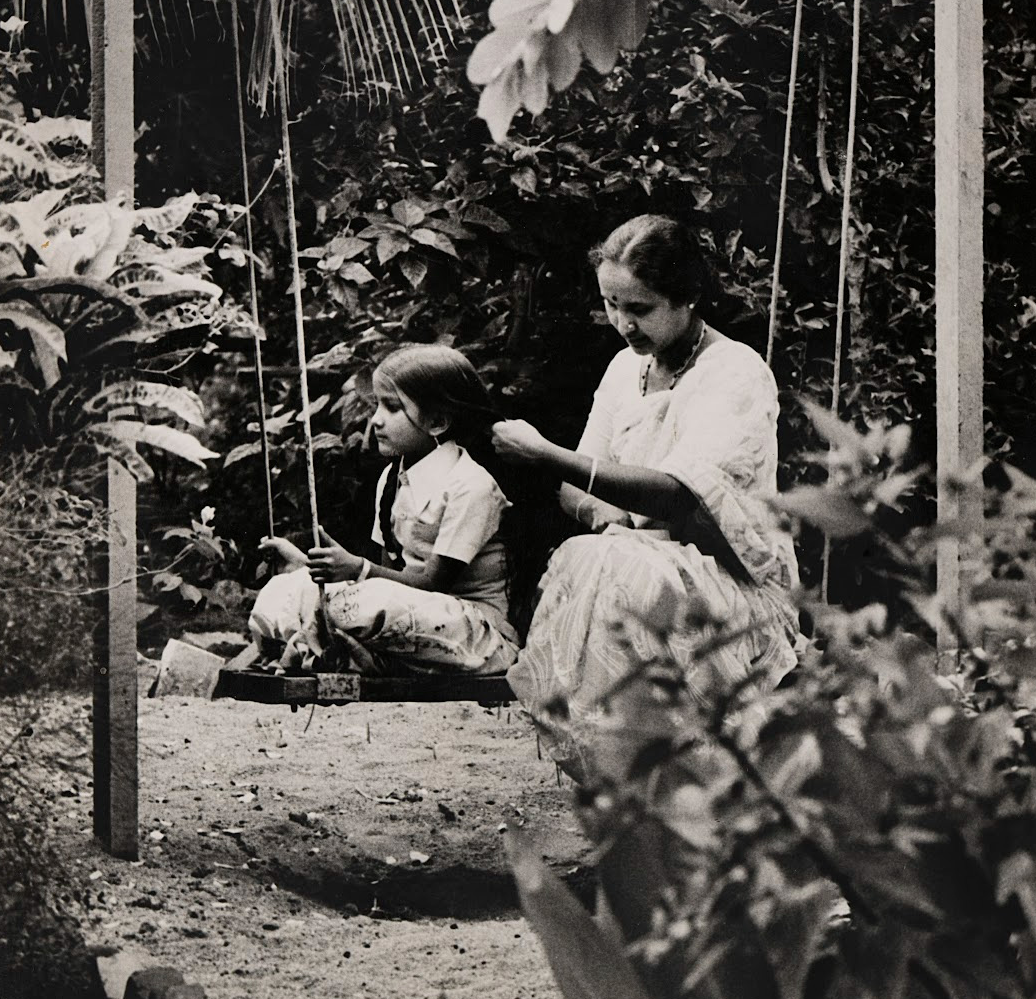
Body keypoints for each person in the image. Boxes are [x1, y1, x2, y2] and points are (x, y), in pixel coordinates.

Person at [493, 214, 802, 779]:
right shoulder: (623, 369)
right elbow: (578, 487)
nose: (622, 323)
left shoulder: (734, 372)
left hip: (729, 580)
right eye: (612, 304)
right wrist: (611, 517)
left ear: (687, 298)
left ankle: (684, 785)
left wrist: (543, 453)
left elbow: (680, 497)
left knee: (618, 565)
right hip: (634, 574)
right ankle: (632, 786)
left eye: (639, 309)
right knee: (602, 559)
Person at [248, 344, 519, 676]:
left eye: (392, 407)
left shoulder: (471, 486)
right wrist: (310, 567)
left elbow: (431, 585)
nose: (375, 420)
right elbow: (386, 574)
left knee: (358, 606)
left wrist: (356, 570)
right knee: (285, 589)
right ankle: (345, 654)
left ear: (437, 421)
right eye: (376, 406)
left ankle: (333, 654)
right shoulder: (392, 479)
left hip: (470, 629)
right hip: (409, 611)